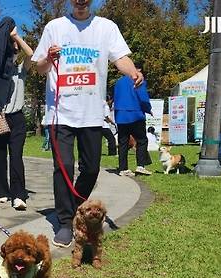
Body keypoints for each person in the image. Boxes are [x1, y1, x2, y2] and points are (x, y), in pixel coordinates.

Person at [32, 0, 143, 248]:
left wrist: (133, 72)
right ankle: (64, 222)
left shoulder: (106, 27)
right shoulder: (54, 27)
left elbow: (120, 58)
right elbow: (38, 68)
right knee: (64, 167)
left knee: (91, 169)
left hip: (92, 112)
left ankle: (71, 206)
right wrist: (49, 58)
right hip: (60, 112)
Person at [0, 26, 33, 210]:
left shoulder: (20, 70)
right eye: (11, 50)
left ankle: (19, 195)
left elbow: (31, 55)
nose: (13, 54)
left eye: (16, 51)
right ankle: (2, 191)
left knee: (16, 156)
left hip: (17, 118)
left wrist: (16, 36)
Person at [113, 64, 152, 176]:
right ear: (138, 70)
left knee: (123, 142)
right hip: (135, 113)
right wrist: (148, 109)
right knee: (142, 140)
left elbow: (115, 97)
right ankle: (140, 166)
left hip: (121, 115)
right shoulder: (138, 79)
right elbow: (143, 97)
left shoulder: (119, 82)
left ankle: (123, 169)